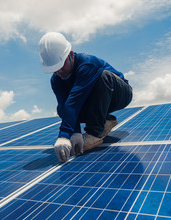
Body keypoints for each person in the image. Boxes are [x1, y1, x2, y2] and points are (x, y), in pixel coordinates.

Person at [38, 32, 133, 162]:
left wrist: (64, 136)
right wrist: (75, 132)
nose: (58, 71)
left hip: (120, 93)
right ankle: (105, 122)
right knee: (62, 109)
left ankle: (94, 133)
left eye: (60, 66)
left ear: (70, 55)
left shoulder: (87, 64)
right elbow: (66, 105)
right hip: (94, 101)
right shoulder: (56, 80)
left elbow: (74, 101)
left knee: (102, 76)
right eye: (54, 69)